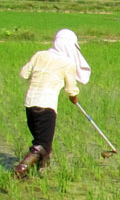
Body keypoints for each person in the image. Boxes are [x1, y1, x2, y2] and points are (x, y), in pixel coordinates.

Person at [14, 29, 91, 179]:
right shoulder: (67, 63)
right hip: (46, 107)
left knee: (44, 145)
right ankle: (21, 169)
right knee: (42, 144)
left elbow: (24, 73)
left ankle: (41, 174)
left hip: (29, 104)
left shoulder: (39, 55)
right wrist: (74, 97)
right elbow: (71, 90)